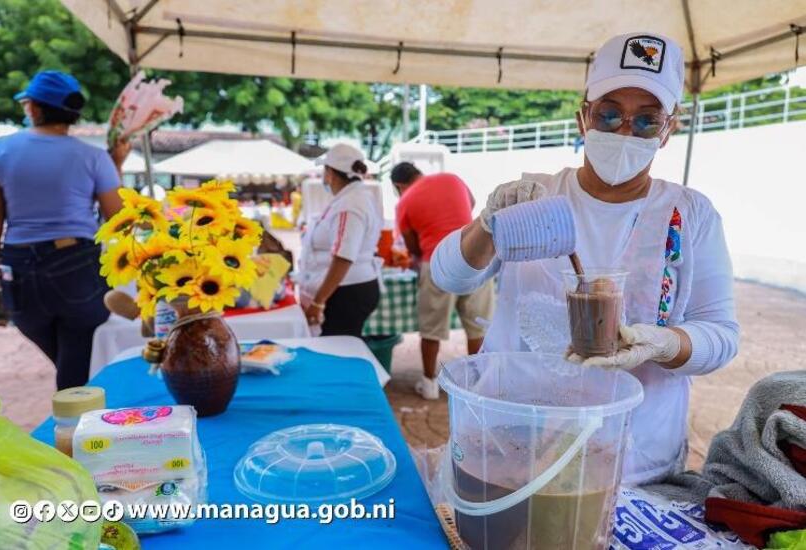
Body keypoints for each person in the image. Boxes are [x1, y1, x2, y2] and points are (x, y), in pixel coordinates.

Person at [431, 32, 739, 484]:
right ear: (583, 118)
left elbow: (721, 334)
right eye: (609, 114)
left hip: (632, 457)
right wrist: (488, 223)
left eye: (646, 120)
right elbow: (449, 277)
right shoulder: (536, 198)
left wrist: (666, 343)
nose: (624, 132)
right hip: (513, 441)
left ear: (668, 130)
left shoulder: (689, 215)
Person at [0, 70, 129, 390]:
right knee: (76, 366)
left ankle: (73, 404)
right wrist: (115, 164)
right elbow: (118, 218)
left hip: (18, 271)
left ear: (33, 107)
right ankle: (76, 410)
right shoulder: (94, 157)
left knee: (70, 366)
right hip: (76, 266)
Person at [390, 162, 493, 399]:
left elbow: (412, 247)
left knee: (431, 328)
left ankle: (429, 384)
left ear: (399, 186)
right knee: (477, 324)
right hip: (474, 255)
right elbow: (471, 204)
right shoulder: (452, 179)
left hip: (436, 260)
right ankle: (478, 383)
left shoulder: (404, 202)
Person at [299, 143, 382, 337]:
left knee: (338, 346)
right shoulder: (352, 198)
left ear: (330, 173)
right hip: (345, 288)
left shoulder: (349, 205)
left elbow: (343, 256)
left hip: (346, 291)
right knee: (342, 345)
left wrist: (318, 302)